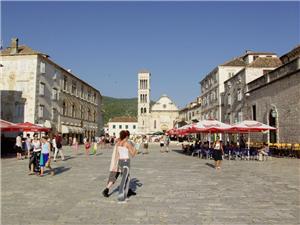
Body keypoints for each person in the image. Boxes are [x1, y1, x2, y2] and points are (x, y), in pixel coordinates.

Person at [102, 130, 137, 199]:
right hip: (125, 161)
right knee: (126, 177)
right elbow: (133, 154)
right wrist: (136, 148)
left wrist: (115, 164)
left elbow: (116, 154)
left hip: (119, 162)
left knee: (116, 176)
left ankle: (106, 190)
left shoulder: (118, 143)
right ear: (126, 136)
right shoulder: (127, 143)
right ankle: (126, 192)